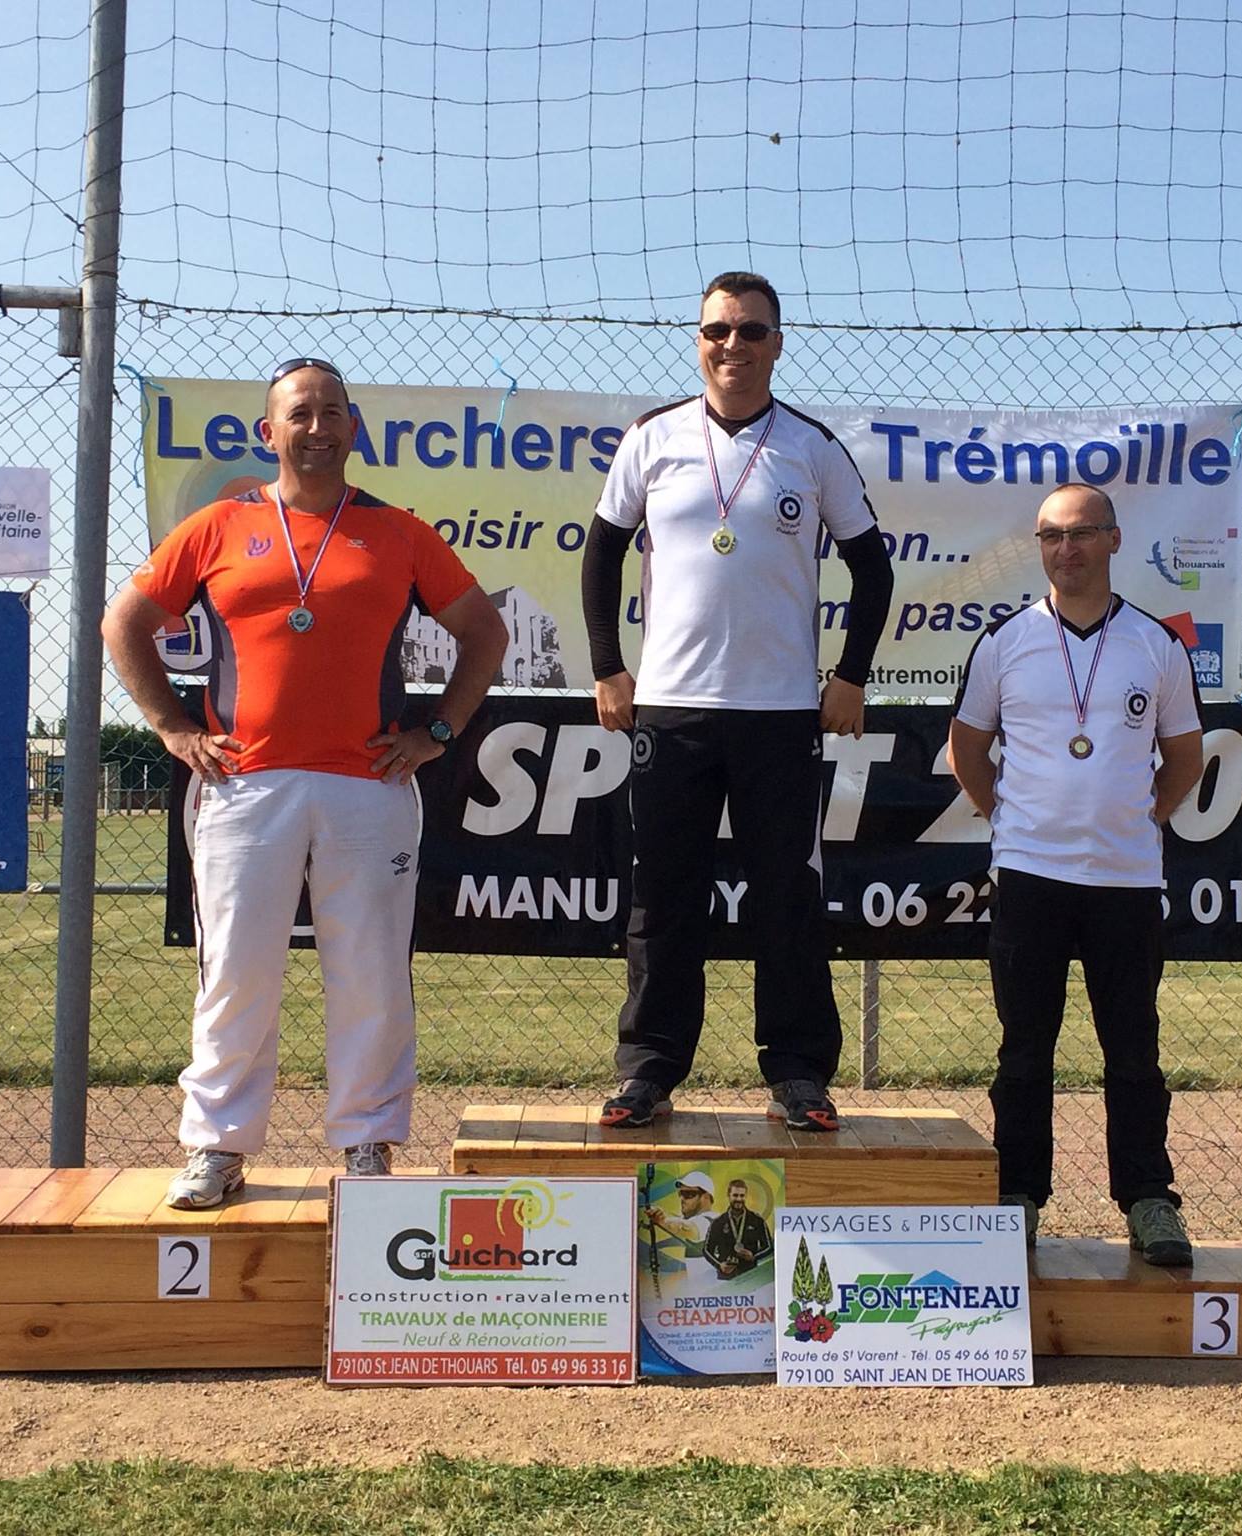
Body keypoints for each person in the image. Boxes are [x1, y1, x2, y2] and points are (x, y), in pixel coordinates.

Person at [101, 357, 508, 1208]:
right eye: (300, 413)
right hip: (244, 782)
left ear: (353, 429)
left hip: (368, 784)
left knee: (370, 972)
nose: (317, 428)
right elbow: (125, 623)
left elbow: (484, 632)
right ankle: (217, 1146)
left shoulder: (398, 532)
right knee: (236, 971)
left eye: (332, 413)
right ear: (269, 431)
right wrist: (173, 727)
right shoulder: (218, 525)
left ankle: (367, 1144)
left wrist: (436, 732)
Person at [581, 271, 895, 1133]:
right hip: (672, 711)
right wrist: (608, 666)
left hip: (780, 715)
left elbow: (872, 568)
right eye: (718, 330)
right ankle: (648, 1070)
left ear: (777, 344)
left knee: (787, 897)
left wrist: (851, 674)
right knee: (663, 895)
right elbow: (602, 552)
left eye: (752, 331)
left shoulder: (811, 447)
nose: (734, 345)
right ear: (699, 341)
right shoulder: (653, 437)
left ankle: (798, 1072)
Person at [946, 482, 1205, 1266]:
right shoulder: (1006, 642)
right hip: (1031, 876)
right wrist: (1011, 822)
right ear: (1039, 547)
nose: (1068, 549)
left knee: (1133, 1051)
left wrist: (1144, 819)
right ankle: (1018, 1194)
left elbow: (1185, 757)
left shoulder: (1156, 645)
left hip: (1126, 881)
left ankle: (1149, 1199)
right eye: (1052, 536)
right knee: (1025, 1050)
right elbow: (967, 748)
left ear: (1114, 540)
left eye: (1083, 533)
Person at [701, 1176, 774, 1279]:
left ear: (746, 1196)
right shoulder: (718, 1223)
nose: (739, 1199)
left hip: (750, 1276)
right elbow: (706, 1250)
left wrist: (753, 1256)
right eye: (735, 1195)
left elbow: (769, 1247)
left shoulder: (757, 1220)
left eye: (742, 1195)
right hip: (726, 1278)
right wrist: (719, 1265)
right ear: (728, 1195)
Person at [642, 1168, 719, 1251]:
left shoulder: (711, 1221)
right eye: (681, 1193)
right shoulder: (692, 1219)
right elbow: (679, 1220)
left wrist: (663, 1221)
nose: (682, 1198)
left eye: (688, 1194)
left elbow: (689, 1228)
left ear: (706, 1197)